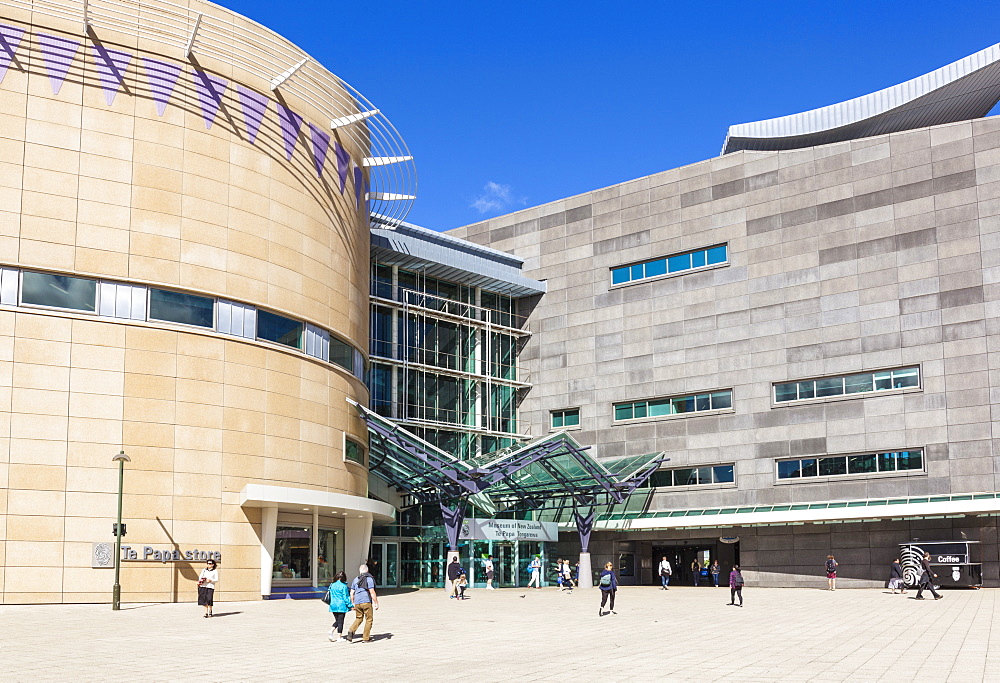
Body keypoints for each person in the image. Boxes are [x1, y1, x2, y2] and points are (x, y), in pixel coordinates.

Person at [346, 564, 379, 643]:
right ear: (367, 570)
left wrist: (353, 602)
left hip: (357, 602)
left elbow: (351, 592)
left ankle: (351, 631)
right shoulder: (369, 579)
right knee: (369, 619)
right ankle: (366, 638)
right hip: (366, 601)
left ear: (360, 571)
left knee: (359, 618)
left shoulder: (355, 579)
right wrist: (376, 603)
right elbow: (372, 592)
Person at [327, 571, 352, 642]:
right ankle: (338, 637)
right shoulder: (344, 586)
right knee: (340, 621)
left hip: (333, 605)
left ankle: (331, 631)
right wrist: (350, 605)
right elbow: (346, 597)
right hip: (341, 605)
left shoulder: (332, 585)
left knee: (337, 620)